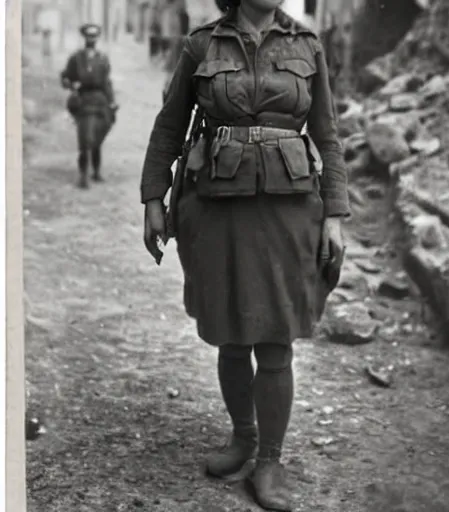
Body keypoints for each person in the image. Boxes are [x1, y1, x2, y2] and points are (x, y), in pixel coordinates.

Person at [140, 1, 350, 510]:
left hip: (290, 211)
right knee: (232, 334)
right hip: (218, 208)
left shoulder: (307, 44)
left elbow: (327, 135)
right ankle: (243, 438)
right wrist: (153, 198)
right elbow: (170, 126)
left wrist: (336, 216)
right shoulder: (201, 44)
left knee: (276, 339)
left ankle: (270, 462)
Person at [60, 23, 118, 188]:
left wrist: (112, 101)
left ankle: (97, 171)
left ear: (97, 38)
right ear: (84, 37)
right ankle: (83, 174)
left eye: (94, 36)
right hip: (83, 102)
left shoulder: (102, 58)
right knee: (85, 139)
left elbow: (107, 82)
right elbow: (65, 78)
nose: (91, 39)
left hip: (100, 101)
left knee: (97, 138)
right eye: (88, 36)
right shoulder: (76, 58)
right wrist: (71, 85)